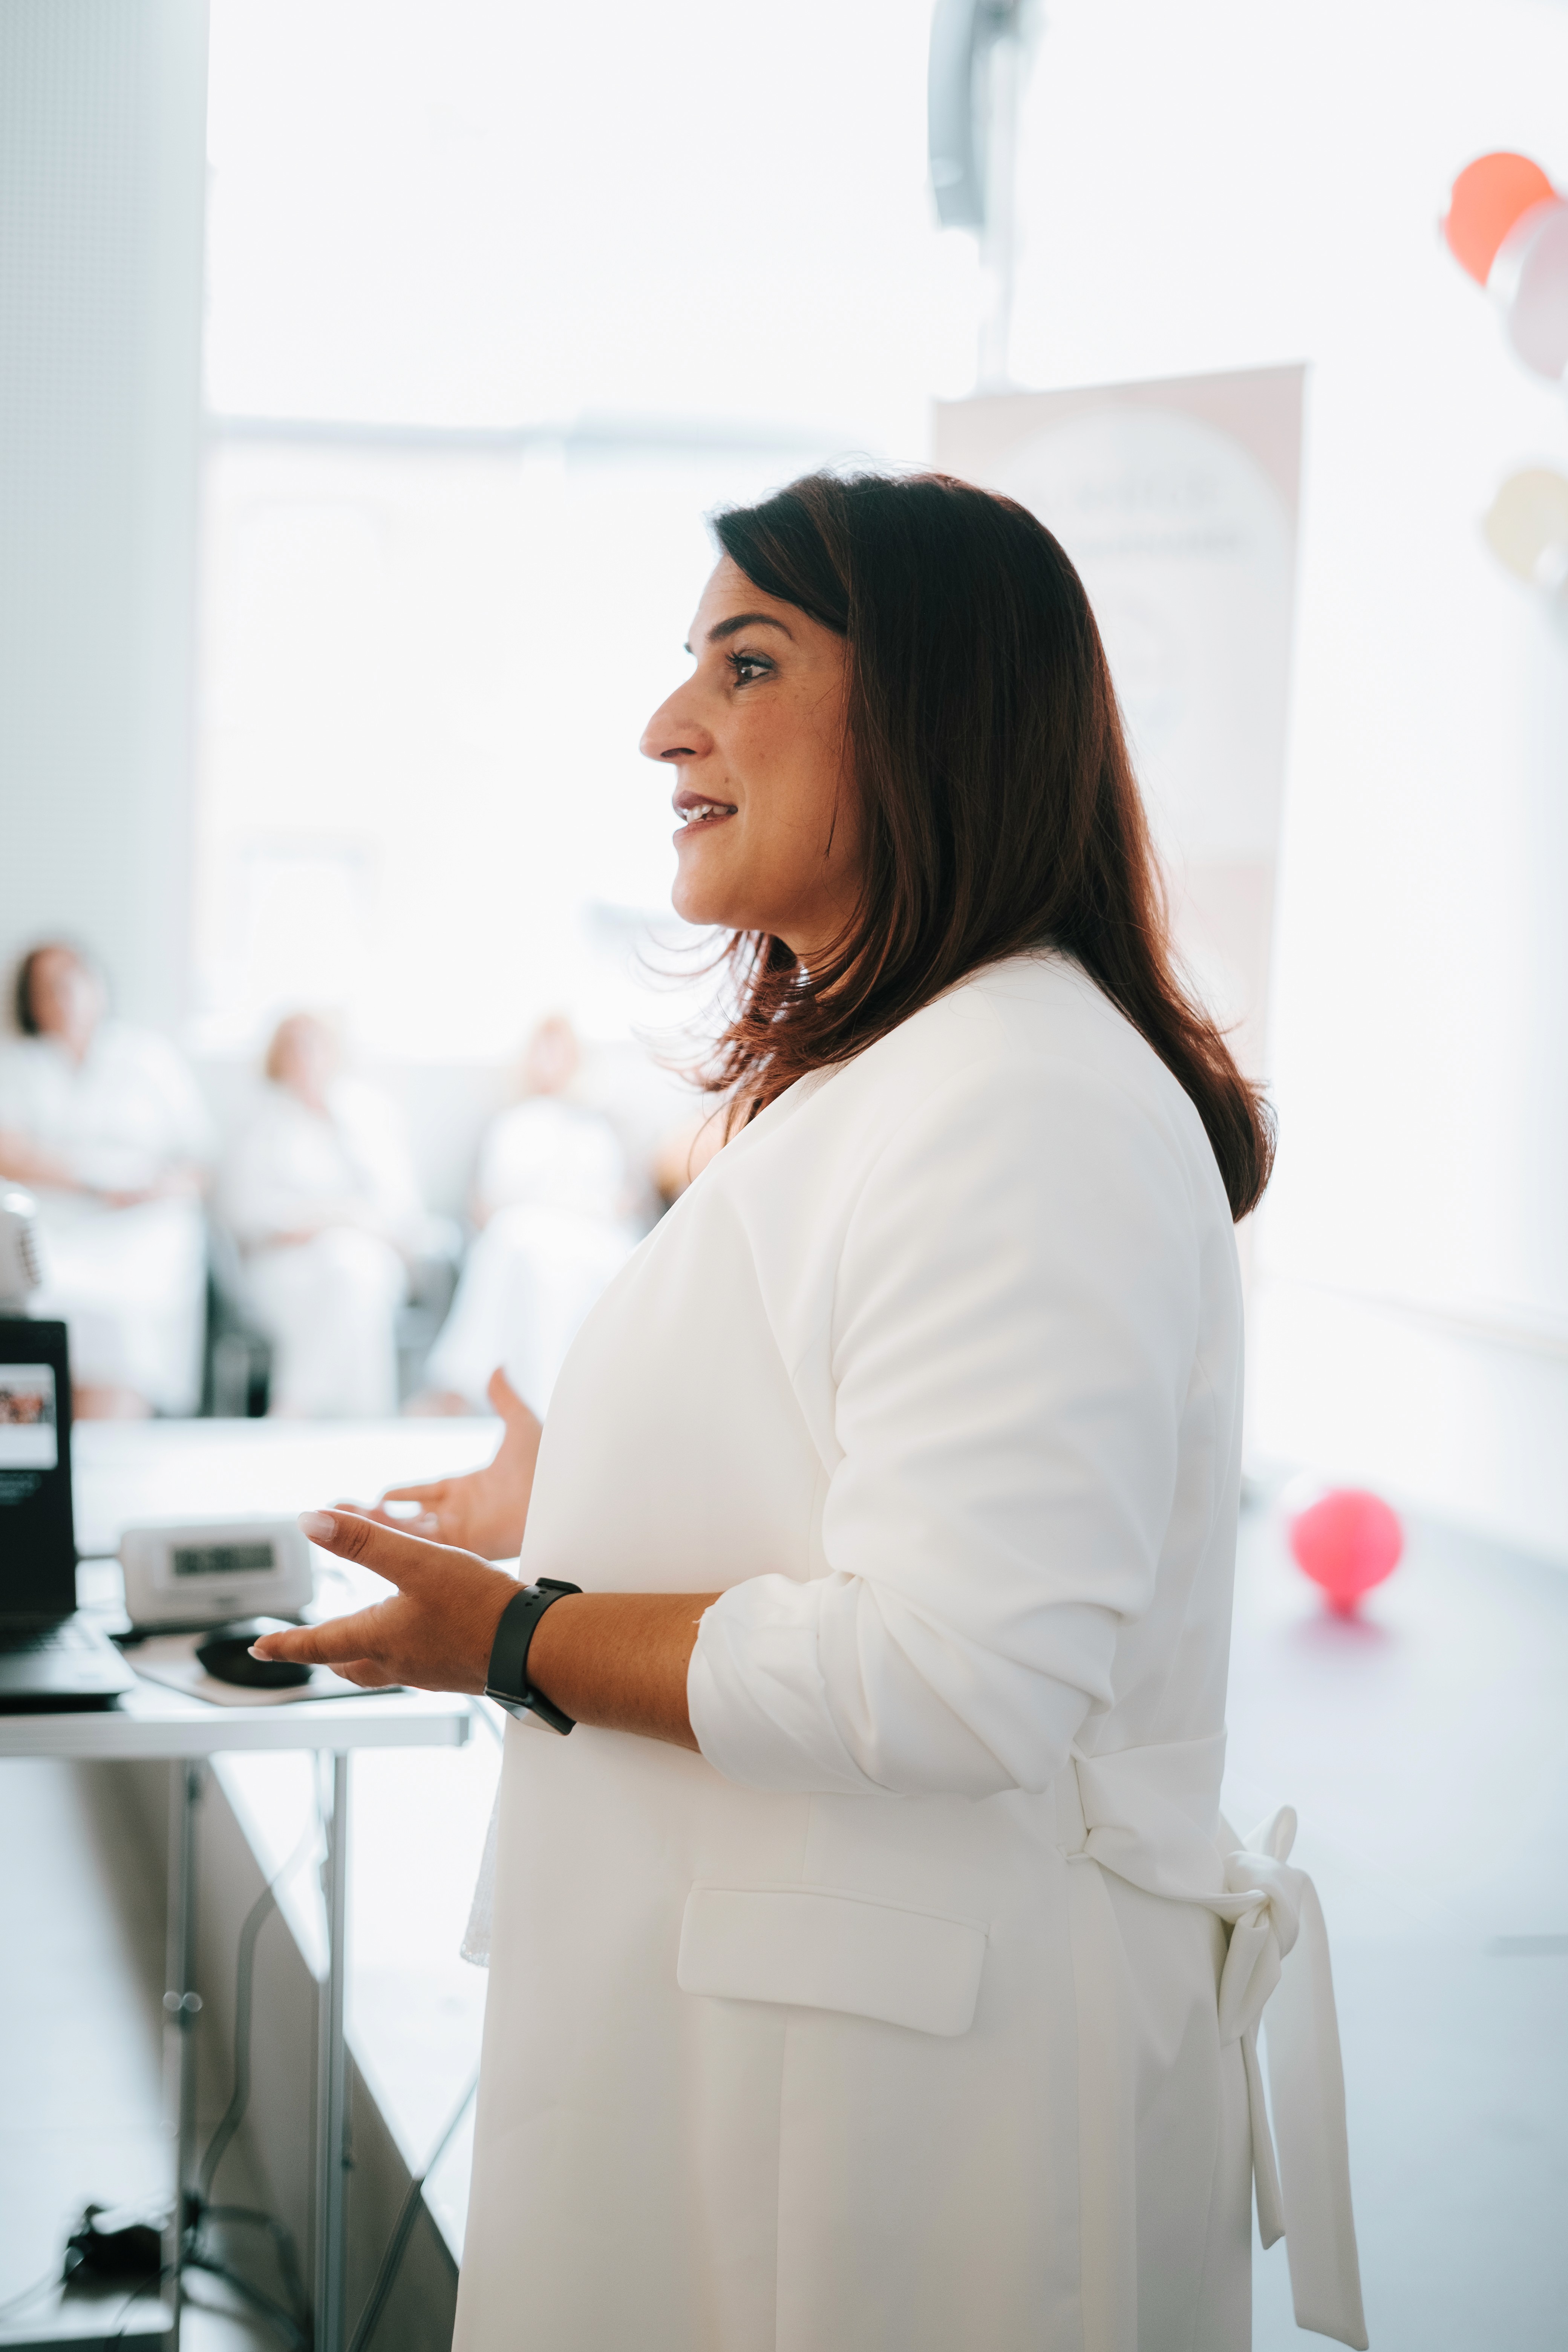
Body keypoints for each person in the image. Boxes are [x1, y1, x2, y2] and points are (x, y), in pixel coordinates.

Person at [256, 473, 1366, 2352]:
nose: (663, 726)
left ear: (934, 717)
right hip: (797, 2059)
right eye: (685, 661)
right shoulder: (916, 1077)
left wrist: (522, 1636)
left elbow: (959, 1669)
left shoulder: (1020, 1099)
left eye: (746, 663)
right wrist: (577, 1502)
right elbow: (850, 1469)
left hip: (910, 2135)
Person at [0, 942, 211, 1417]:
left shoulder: (148, 1059)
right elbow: (7, 1154)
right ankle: (39, 1446)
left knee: (127, 1316)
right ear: (30, 1001)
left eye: (73, 981)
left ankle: (116, 1435)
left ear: (98, 985)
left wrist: (154, 1190)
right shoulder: (18, 1065)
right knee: (46, 1300)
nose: (64, 997)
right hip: (56, 1219)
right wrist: (95, 1185)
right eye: (47, 988)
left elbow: (198, 1163)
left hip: (144, 1224)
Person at [411, 1015, 637, 1416]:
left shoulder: (599, 1123)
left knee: (539, 1255)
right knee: (518, 1244)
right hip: (522, 1230)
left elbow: (621, 1198)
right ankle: (518, 1399)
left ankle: (491, 1395)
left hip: (587, 1235)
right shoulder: (507, 1121)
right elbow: (483, 1203)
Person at [217, 1013, 432, 1418]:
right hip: (284, 1263)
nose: (305, 1056)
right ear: (276, 1057)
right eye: (293, 1046)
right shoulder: (258, 1118)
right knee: (346, 1286)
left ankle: (293, 1409)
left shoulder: (368, 1114)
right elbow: (243, 1210)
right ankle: (367, 1425)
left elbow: (403, 1210)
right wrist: (329, 1221)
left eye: (314, 1044)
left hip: (366, 1257)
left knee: (352, 1271)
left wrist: (341, 1224)